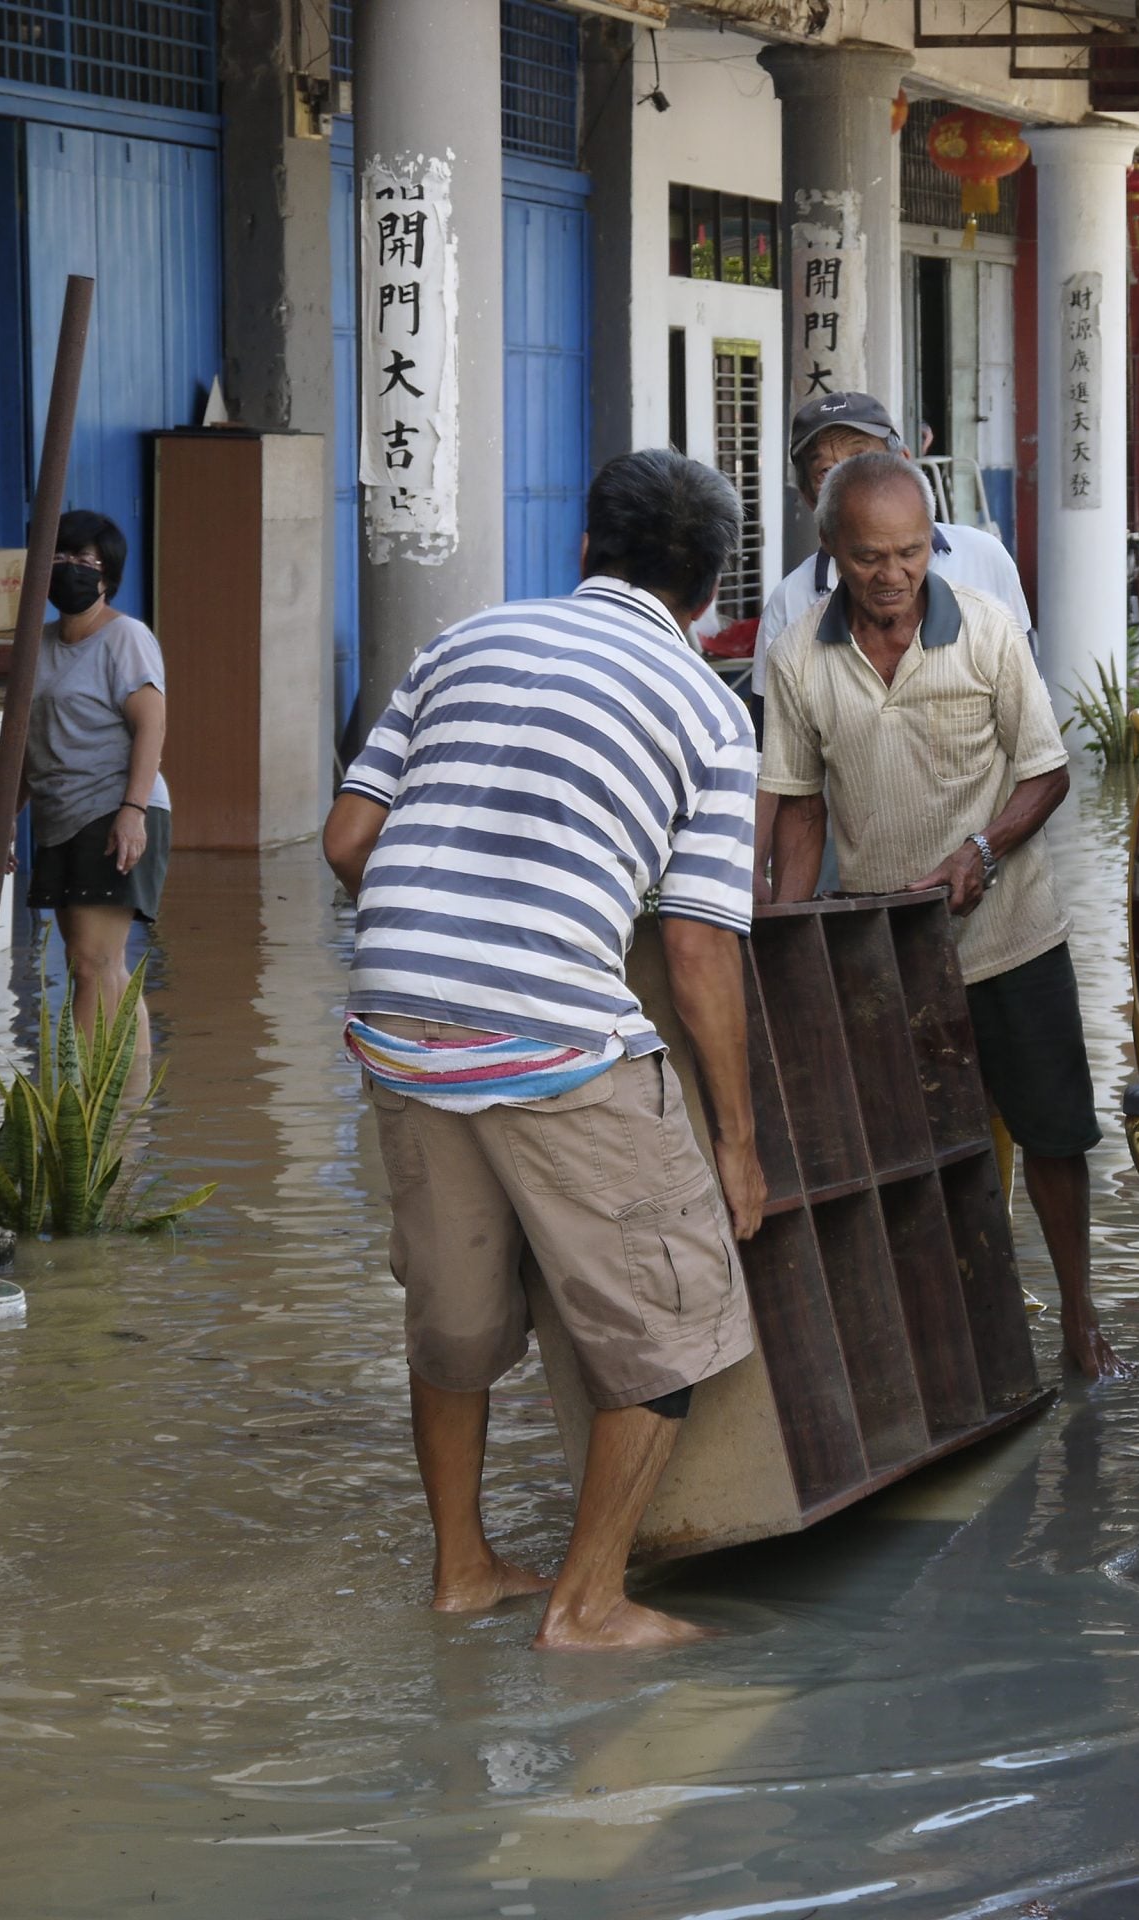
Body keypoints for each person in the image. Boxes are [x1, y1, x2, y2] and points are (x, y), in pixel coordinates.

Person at [320, 449, 767, 1654]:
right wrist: (734, 1141)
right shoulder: (710, 711)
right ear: (709, 592)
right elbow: (697, 949)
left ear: (583, 553)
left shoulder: (458, 642)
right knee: (675, 1318)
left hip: (394, 1015)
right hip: (551, 1033)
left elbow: (347, 837)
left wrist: (448, 918)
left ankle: (461, 1569)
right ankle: (587, 1603)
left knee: (452, 1320)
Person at [761, 452, 1127, 1381]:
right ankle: (947, 1346)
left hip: (1011, 936)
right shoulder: (799, 655)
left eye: (912, 553)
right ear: (832, 551)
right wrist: (782, 940)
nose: (894, 576)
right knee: (911, 1157)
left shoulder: (990, 634)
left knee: (1052, 1135)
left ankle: (1081, 1322)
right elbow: (800, 809)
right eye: (871, 557)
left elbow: (1047, 772)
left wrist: (982, 852)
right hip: (884, 951)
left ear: (934, 545)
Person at [750, 392, 1029, 897]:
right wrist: (750, 872)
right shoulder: (792, 601)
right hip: (857, 860)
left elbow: (1034, 734)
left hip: (991, 867)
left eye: (861, 460)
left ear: (902, 465)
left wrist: (991, 844)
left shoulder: (983, 557)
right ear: (812, 500)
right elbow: (779, 765)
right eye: (824, 472)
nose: (845, 481)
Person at [20, 509, 169, 1077]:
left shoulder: (125, 637)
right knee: (101, 967)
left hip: (114, 810)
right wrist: (1, 829)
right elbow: (27, 745)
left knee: (91, 963)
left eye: (86, 562)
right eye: (60, 558)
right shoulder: (39, 644)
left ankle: (89, 1104)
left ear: (108, 576)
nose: (71, 570)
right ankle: (128, 1106)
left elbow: (152, 725)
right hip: (60, 816)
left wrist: (131, 813)